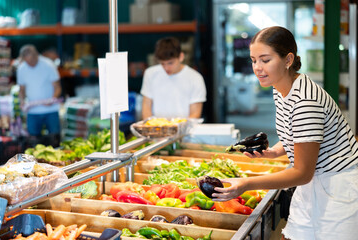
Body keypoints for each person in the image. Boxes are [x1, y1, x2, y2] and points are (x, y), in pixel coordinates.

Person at [212, 26, 358, 240]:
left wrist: (246, 183)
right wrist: (274, 152)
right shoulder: (281, 89)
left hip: (337, 188)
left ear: (288, 60)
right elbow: (299, 135)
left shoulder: (305, 101)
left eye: (265, 60)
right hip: (313, 184)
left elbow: (302, 172)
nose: (257, 68)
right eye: (253, 60)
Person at [140, 37, 207, 119]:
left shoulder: (195, 78)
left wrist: (179, 128)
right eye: (162, 64)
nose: (166, 68)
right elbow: (146, 107)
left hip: (184, 129)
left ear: (181, 57)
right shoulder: (150, 74)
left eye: (170, 63)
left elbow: (195, 114)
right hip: (156, 129)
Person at [17, 44, 62, 147]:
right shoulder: (21, 68)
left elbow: (58, 87)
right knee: (33, 142)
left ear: (37, 55)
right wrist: (22, 101)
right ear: (23, 59)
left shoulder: (48, 65)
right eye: (27, 62)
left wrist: (52, 99)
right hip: (33, 111)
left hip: (50, 110)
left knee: (54, 140)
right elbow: (22, 89)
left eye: (32, 61)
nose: (31, 64)